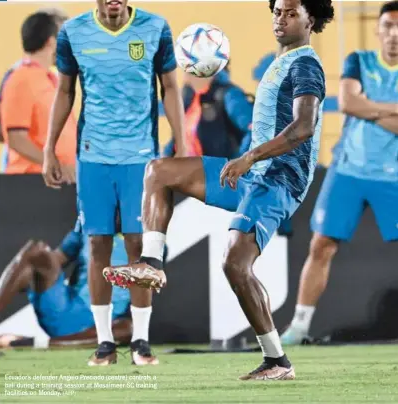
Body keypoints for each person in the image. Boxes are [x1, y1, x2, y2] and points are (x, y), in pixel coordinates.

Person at [102, 0, 334, 380]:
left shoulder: (306, 64)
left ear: (313, 20)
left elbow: (304, 127)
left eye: (292, 13)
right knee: (159, 172)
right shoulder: (283, 61)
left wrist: (249, 157)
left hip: (277, 179)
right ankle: (152, 264)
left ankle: (277, 362)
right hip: (254, 173)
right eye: (277, 11)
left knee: (234, 264)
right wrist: (248, 162)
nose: (281, 18)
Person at [42, 0, 187, 366]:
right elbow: (64, 92)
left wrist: (182, 145)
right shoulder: (73, 32)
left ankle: (140, 341)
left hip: (140, 157)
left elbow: (170, 87)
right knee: (97, 245)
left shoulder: (156, 28)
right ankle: (105, 343)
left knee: (140, 247)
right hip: (93, 156)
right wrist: (49, 149)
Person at [281, 0, 398, 344]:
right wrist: (396, 110)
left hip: (390, 175)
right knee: (321, 245)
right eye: (388, 27)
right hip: (347, 170)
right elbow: (348, 103)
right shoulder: (359, 61)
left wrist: (372, 110)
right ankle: (299, 328)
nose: (394, 33)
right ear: (379, 31)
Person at [0, 219, 131, 352]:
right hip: (63, 309)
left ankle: (35, 342)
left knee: (128, 328)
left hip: (95, 328)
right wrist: (26, 274)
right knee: (37, 251)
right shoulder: (87, 225)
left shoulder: (142, 240)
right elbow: (55, 260)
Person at [0, 11, 76, 177]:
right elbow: (16, 138)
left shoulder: (50, 79)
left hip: (58, 180)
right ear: (51, 42)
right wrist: (57, 165)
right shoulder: (22, 78)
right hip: (33, 182)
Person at [163, 64, 254, 159]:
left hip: (217, 171)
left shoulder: (228, 95)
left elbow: (254, 130)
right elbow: (177, 139)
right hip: (188, 171)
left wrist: (238, 162)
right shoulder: (189, 97)